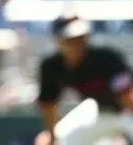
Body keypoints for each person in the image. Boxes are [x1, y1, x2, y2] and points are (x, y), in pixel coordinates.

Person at [35, 15, 133, 145]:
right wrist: (53, 136)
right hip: (98, 110)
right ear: (57, 40)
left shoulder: (107, 59)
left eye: (80, 37)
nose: (77, 43)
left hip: (127, 112)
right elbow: (48, 104)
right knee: (52, 141)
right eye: (71, 39)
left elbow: (128, 97)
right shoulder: (52, 66)